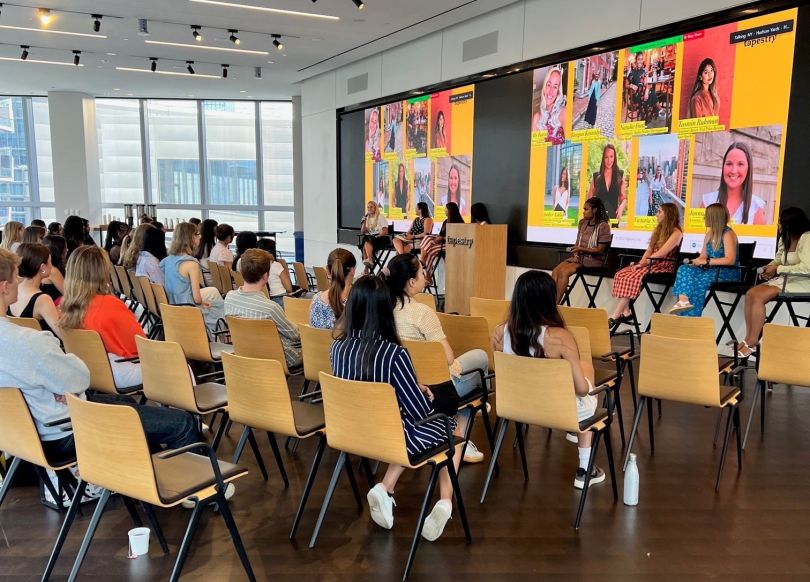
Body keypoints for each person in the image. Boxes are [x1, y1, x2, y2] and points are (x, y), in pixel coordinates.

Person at [0, 248, 201, 496]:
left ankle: (142, 477)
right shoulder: (28, 341)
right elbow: (80, 377)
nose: (18, 282)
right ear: (4, 287)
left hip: (20, 436)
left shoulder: (36, 328)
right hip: (63, 432)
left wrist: (60, 387)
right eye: (14, 277)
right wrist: (65, 386)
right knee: (182, 422)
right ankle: (199, 493)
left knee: (126, 402)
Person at [330, 275, 463, 542]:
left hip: (352, 433)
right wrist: (422, 393)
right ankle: (446, 502)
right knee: (456, 423)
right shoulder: (394, 354)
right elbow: (418, 413)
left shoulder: (337, 347)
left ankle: (385, 487)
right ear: (385, 309)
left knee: (402, 426)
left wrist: (414, 387)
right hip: (394, 438)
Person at [491, 270, 605, 489]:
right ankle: (584, 468)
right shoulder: (561, 338)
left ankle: (576, 433)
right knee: (590, 386)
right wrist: (593, 386)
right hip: (560, 411)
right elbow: (581, 390)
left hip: (516, 406)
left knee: (585, 367)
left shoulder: (499, 333)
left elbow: (504, 372)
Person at [385, 253, 488, 464]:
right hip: (435, 390)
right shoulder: (422, 312)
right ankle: (470, 423)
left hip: (403, 388)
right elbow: (449, 359)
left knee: (470, 394)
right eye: (423, 272)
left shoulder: (383, 309)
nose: (426, 275)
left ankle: (465, 429)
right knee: (481, 358)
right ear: (412, 282)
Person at [61, 246, 145, 389]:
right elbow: (140, 344)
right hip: (116, 371)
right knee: (181, 368)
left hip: (86, 371)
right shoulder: (109, 303)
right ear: (102, 271)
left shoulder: (67, 306)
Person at [738, 207, 810, 357]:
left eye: (780, 222)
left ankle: (752, 341)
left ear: (791, 223)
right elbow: (778, 260)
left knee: (759, 297)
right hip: (785, 279)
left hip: (802, 282)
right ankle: (748, 338)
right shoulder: (785, 238)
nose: (778, 225)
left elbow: (806, 268)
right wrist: (768, 268)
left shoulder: (807, 238)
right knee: (751, 293)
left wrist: (777, 270)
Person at [225, 249, 302, 369]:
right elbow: (294, 335)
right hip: (279, 358)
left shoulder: (229, 298)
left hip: (246, 354)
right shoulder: (270, 308)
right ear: (266, 276)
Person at [608, 203, 682, 326]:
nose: (656, 214)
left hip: (663, 265)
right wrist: (641, 263)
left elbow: (661, 253)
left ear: (668, 214)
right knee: (622, 273)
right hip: (651, 263)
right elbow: (649, 250)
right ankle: (626, 312)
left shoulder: (676, 233)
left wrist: (644, 264)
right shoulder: (659, 229)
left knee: (633, 276)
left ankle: (615, 315)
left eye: (659, 212)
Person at [669, 203, 738, 316]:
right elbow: (703, 256)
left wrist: (706, 261)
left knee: (698, 283)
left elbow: (730, 260)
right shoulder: (709, 234)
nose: (704, 218)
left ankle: (691, 318)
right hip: (710, 269)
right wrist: (697, 261)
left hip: (725, 272)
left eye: (706, 215)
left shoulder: (728, 234)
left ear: (714, 217)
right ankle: (683, 301)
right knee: (684, 268)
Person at [160, 222, 225, 334]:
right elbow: (197, 299)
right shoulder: (191, 264)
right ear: (191, 238)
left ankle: (218, 335)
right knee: (217, 306)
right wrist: (202, 302)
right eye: (197, 234)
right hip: (188, 307)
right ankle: (222, 335)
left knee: (213, 296)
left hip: (172, 305)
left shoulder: (167, 260)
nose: (200, 237)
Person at [551, 197, 612, 302]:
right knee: (556, 271)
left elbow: (600, 250)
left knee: (564, 272)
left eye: (586, 209)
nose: (583, 212)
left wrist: (581, 249)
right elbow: (577, 241)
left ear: (595, 210)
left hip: (594, 260)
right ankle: (550, 302)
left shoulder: (603, 226)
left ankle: (556, 304)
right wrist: (575, 254)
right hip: (580, 257)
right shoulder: (582, 223)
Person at [701, 142, 765, 225]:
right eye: (729, 164)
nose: (733, 170)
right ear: (723, 167)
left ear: (748, 168)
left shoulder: (756, 207)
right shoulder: (707, 201)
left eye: (740, 164)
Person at [7, 243, 62, 338]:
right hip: (44, 348)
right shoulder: (43, 299)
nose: (52, 266)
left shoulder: (14, 290)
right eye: (50, 262)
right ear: (42, 268)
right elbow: (62, 334)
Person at [309, 248, 356, 329]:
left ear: (327, 270)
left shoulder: (315, 300)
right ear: (353, 271)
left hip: (318, 342)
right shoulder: (358, 303)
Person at [420, 202, 463, 281]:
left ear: (450, 210)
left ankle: (427, 274)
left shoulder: (459, 222)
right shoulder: (445, 221)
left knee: (431, 250)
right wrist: (437, 239)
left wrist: (442, 238)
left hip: (451, 245)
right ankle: (424, 264)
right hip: (442, 244)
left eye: (445, 209)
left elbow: (457, 239)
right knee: (427, 237)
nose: (444, 210)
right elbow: (441, 234)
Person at [587, 144, 626, 223]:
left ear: (614, 158)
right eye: (606, 157)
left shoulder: (619, 175)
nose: (609, 160)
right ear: (603, 159)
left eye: (611, 156)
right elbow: (589, 200)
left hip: (614, 218)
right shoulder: (596, 176)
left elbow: (623, 198)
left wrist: (621, 207)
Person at [532, 66, 567, 144]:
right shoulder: (536, 118)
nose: (551, 91)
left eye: (555, 87)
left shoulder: (563, 113)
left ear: (558, 92)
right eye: (548, 85)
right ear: (544, 87)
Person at [359, 200, 390, 273]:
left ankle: (369, 262)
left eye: (371, 207)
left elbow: (385, 231)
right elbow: (363, 231)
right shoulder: (367, 218)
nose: (369, 209)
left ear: (375, 208)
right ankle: (368, 263)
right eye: (368, 207)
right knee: (365, 241)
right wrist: (363, 222)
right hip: (371, 239)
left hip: (382, 238)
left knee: (366, 240)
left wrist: (377, 237)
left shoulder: (380, 217)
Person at [41, 235, 67, 304]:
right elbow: (68, 294)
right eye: (65, 247)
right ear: (61, 250)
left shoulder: (43, 265)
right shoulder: (52, 270)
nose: (67, 250)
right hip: (52, 307)